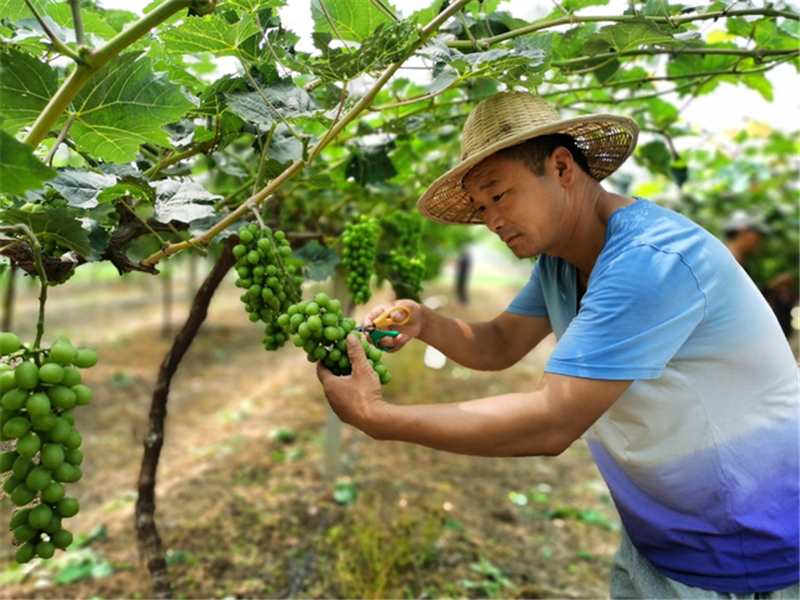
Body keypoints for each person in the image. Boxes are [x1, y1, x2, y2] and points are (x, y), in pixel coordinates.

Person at [316, 91, 799, 599]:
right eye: (480, 209)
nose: (492, 221)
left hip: (751, 550)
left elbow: (553, 421)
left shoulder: (650, 261)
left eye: (499, 196)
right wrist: (425, 322)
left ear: (562, 167)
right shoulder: (561, 260)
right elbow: (500, 342)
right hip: (664, 537)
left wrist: (376, 417)